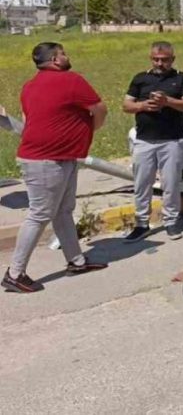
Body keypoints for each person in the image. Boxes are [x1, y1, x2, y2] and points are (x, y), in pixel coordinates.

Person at [3, 43, 109, 294]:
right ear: (54, 59)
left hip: (60, 158)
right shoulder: (71, 80)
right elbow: (100, 109)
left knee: (63, 211)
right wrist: (90, 130)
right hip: (45, 161)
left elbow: (31, 121)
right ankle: (15, 273)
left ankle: (76, 261)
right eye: (63, 53)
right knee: (39, 215)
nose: (67, 56)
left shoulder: (29, 87)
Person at [121, 42, 183, 242]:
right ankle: (142, 224)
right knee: (142, 183)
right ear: (151, 58)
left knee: (170, 183)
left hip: (172, 140)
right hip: (144, 140)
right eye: (156, 59)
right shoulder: (140, 78)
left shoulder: (182, 78)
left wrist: (167, 101)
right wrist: (144, 105)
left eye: (165, 60)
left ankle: (171, 221)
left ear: (173, 59)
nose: (160, 63)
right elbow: (126, 105)